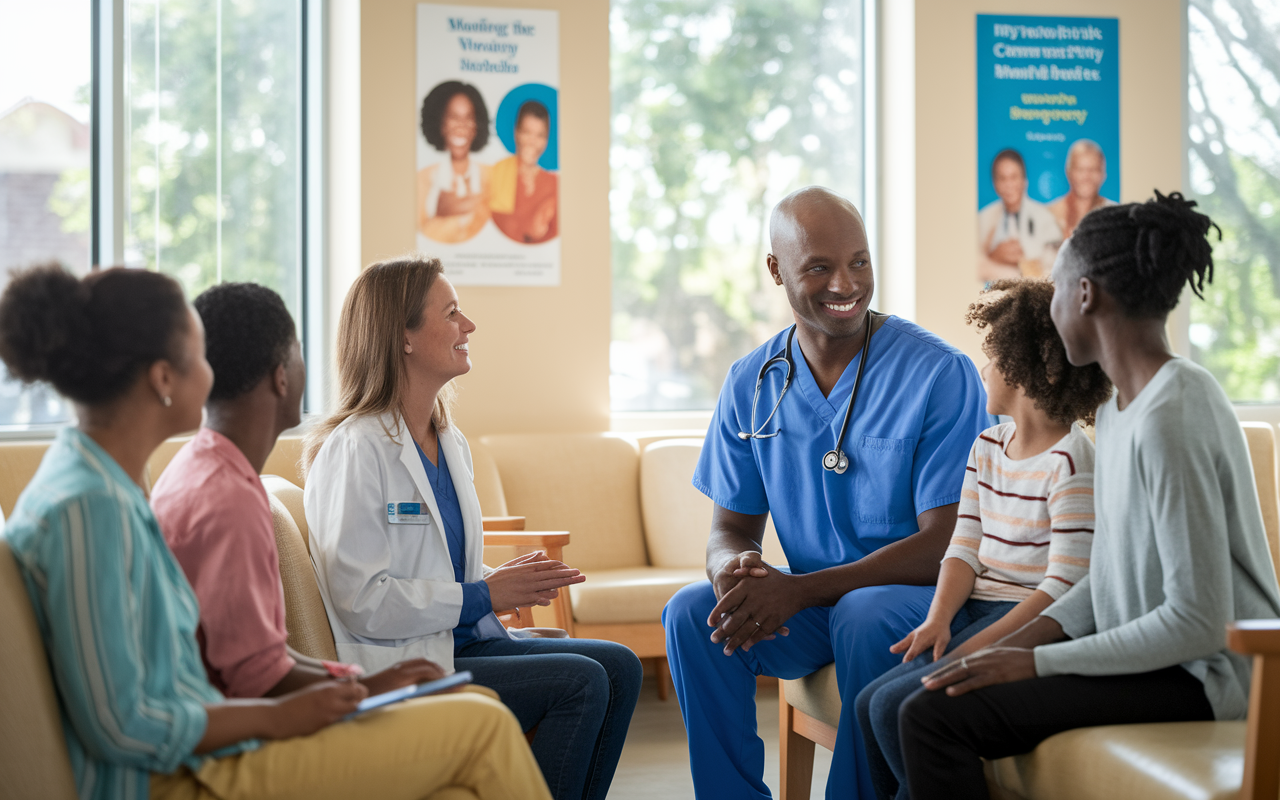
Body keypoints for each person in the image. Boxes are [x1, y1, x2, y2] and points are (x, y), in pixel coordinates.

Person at [0, 263, 551, 800]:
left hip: (203, 752)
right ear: (164, 378)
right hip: (184, 775)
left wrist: (349, 687)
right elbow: (122, 725)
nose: (215, 376)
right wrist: (280, 714)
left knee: (473, 723)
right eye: (200, 357)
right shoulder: (88, 507)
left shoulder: (106, 486)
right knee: (482, 726)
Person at [899, 192, 1280, 798]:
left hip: (1205, 678)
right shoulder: (1119, 410)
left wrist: (1033, 662)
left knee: (930, 718)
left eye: (1056, 287)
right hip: (1152, 664)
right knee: (938, 693)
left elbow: (1198, 622)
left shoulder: (1173, 412)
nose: (1048, 310)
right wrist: (1001, 645)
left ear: (1085, 294)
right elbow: (1103, 584)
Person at [662, 186, 992, 800]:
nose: (846, 283)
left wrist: (798, 590)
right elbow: (730, 528)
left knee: (863, 614)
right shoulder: (751, 382)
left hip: (922, 600)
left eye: (859, 262)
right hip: (819, 603)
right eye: (819, 267)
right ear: (776, 270)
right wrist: (730, 570)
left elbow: (947, 542)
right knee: (690, 613)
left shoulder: (940, 374)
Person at [302, 255, 643, 800]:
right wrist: (483, 594)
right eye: (453, 313)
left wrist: (499, 581)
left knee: (621, 667)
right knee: (582, 681)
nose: (470, 326)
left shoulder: (447, 438)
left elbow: (432, 561)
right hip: (406, 665)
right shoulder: (357, 449)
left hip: (459, 644)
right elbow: (361, 599)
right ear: (404, 337)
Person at [854, 278, 1112, 799]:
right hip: (971, 608)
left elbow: (1061, 589)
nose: (983, 369)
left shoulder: (1072, 462)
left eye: (990, 358)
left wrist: (974, 647)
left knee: (892, 709)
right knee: (868, 705)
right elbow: (962, 548)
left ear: (1020, 370)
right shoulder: (988, 445)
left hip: (1028, 621)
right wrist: (939, 620)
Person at [151, 282, 452, 700]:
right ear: (281, 377)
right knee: (484, 722)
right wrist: (368, 685)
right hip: (235, 733)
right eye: (298, 351)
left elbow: (265, 659)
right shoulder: (229, 500)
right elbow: (257, 677)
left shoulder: (198, 467)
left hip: (225, 706)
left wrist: (354, 677)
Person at [418, 81, 492, 244]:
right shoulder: (422, 180)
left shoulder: (491, 177)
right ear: (441, 124)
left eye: (468, 117)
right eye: (453, 117)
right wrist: (442, 212)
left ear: (477, 126)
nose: (461, 126)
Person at [977, 149, 1061, 281]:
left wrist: (1025, 261)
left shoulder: (1045, 218)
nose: (1008, 185)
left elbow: (1055, 266)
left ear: (1024, 181)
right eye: (1002, 178)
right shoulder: (984, 218)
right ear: (994, 183)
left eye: (1014, 177)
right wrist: (994, 255)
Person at [490, 100, 558, 244]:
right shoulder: (498, 173)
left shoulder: (554, 184)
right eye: (527, 133)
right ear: (516, 133)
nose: (532, 142)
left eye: (540, 135)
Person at [1048, 139, 1115, 240]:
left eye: (1093, 170)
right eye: (1080, 170)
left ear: (1103, 174)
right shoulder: (1049, 215)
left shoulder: (1116, 215)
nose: (1086, 177)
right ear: (1068, 172)